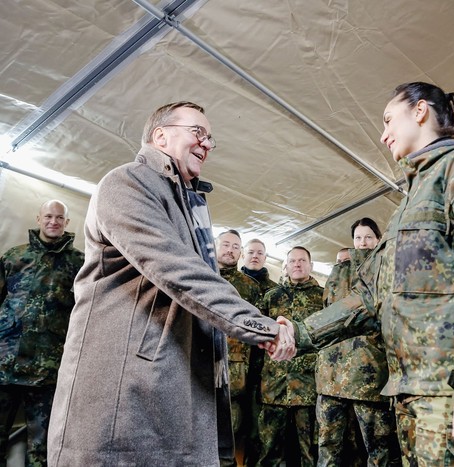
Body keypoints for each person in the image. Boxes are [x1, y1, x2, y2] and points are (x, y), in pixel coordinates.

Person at [287, 82, 454, 465]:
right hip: (418, 393)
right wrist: (301, 332)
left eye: (389, 119)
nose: (383, 133)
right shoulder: (410, 202)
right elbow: (371, 295)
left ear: (420, 111)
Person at [46, 101, 294, 466]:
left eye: (210, 138)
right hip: (124, 391)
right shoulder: (126, 182)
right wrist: (262, 326)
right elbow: (178, 271)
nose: (207, 144)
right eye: (198, 132)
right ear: (160, 135)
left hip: (170, 385)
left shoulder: (186, 203)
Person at [0, 200, 84, 466]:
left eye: (60, 218)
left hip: (49, 371)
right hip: (6, 365)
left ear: (67, 223)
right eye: (48, 216)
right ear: (38, 218)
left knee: (43, 447)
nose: (53, 222)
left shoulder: (79, 263)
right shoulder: (14, 256)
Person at [316, 218, 400, 467]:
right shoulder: (339, 271)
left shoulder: (388, 268)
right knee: (329, 446)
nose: (363, 243)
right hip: (332, 375)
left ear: (378, 239)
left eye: (368, 237)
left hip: (370, 376)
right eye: (358, 238)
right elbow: (328, 311)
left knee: (378, 447)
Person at [257, 247, 324, 467]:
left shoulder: (323, 297)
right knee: (269, 449)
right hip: (274, 386)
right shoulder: (271, 297)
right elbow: (257, 338)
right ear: (285, 266)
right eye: (293, 261)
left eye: (302, 260)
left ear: (310, 265)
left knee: (310, 451)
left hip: (308, 388)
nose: (297, 264)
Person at [216, 229, 262, 466]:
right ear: (216, 246)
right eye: (226, 244)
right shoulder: (202, 276)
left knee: (229, 435)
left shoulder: (250, 287)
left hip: (235, 376)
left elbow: (255, 334)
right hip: (196, 367)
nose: (230, 250)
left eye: (235, 247)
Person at [240, 237, 278, 466]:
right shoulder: (230, 284)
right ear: (244, 254)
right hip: (232, 368)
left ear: (265, 258)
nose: (255, 256)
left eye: (260, 253)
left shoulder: (274, 290)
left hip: (262, 371)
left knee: (256, 430)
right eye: (251, 252)